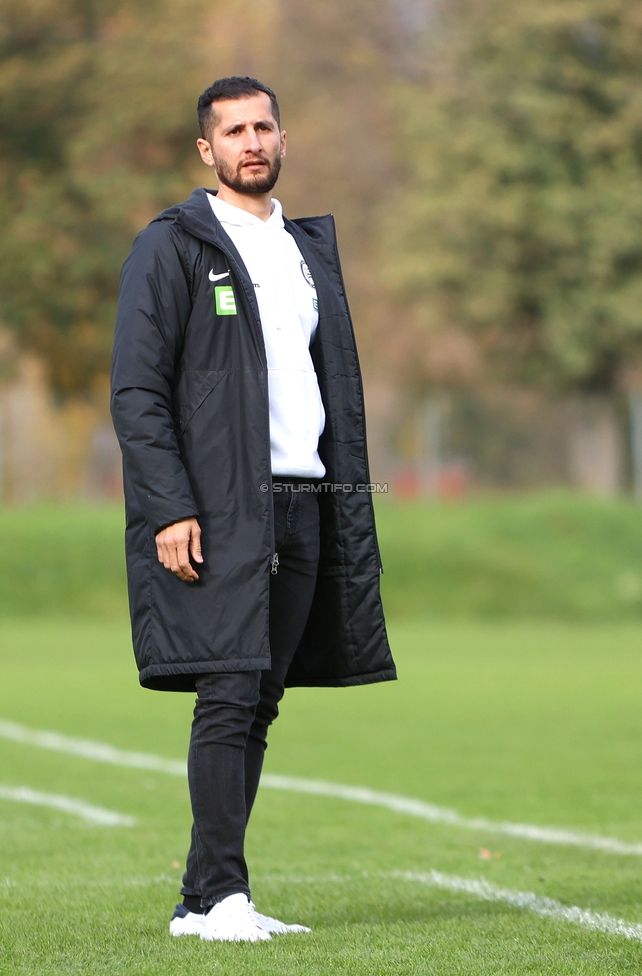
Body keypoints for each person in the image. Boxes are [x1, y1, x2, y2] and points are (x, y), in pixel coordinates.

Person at [110, 75, 395, 944]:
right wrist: (170, 508)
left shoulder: (306, 250)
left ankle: (203, 899)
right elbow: (136, 389)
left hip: (305, 498)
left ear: (283, 136)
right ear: (207, 149)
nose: (251, 142)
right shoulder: (173, 245)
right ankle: (222, 896)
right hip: (221, 506)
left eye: (263, 125)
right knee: (228, 690)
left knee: (260, 695)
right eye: (232, 130)